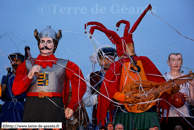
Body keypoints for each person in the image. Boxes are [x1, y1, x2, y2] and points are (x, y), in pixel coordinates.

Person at [12, 26, 86, 129]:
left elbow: (80, 84)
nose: (45, 45)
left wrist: (72, 106)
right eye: (42, 41)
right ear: (38, 44)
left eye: (49, 41)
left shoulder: (66, 64)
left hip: (54, 108)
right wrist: (29, 76)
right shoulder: (26, 65)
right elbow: (15, 91)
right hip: (32, 108)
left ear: (55, 45)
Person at [82, 46, 117, 128]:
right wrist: (98, 98)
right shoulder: (91, 77)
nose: (106, 62)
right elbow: (84, 101)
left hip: (118, 117)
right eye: (103, 59)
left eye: (110, 59)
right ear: (98, 60)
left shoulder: (121, 75)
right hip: (99, 119)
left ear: (114, 60)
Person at [160, 53, 194, 130]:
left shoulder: (189, 79)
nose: (176, 63)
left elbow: (193, 102)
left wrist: (188, 99)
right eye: (173, 60)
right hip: (168, 117)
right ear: (168, 62)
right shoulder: (163, 79)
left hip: (185, 116)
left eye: (178, 60)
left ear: (182, 62)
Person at [0, 53, 25, 126]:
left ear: (22, 62)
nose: (14, 63)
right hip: (7, 108)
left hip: (20, 108)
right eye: (12, 61)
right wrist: (3, 92)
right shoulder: (5, 78)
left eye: (17, 60)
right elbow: (3, 98)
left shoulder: (25, 77)